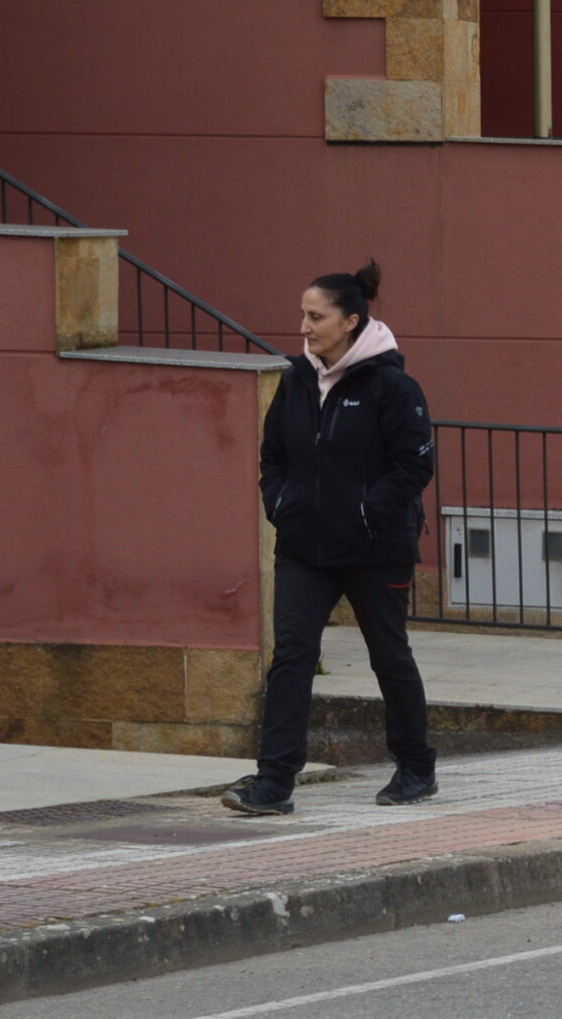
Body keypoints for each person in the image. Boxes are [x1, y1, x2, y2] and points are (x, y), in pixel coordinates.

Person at [225, 262, 438, 816]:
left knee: (388, 656)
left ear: (350, 321)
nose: (304, 326)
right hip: (304, 547)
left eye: (315, 316)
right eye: (303, 314)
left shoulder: (392, 385)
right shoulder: (296, 380)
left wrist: (368, 512)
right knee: (292, 657)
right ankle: (274, 782)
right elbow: (273, 455)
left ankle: (415, 767)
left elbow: (414, 464)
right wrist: (281, 504)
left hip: (375, 547)